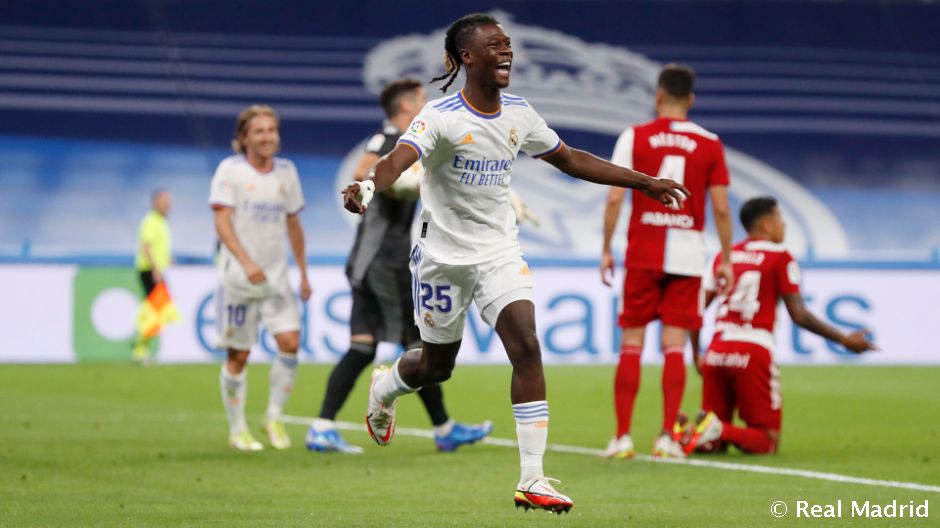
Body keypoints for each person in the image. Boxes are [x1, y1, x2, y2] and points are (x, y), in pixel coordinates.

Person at [341, 13, 688, 514]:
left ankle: (532, 478)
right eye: (495, 45)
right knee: (437, 367)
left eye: (507, 44)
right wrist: (369, 186)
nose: (506, 51)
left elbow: (570, 158)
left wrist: (645, 182)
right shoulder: (440, 115)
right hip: (441, 259)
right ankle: (387, 385)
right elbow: (400, 157)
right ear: (467, 57)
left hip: (498, 252)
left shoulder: (520, 113)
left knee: (526, 345)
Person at [306, 79, 493, 454]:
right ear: (407, 107)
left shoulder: (407, 142)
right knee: (419, 346)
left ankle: (323, 427)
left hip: (372, 259)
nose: (427, 105)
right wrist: (397, 183)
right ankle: (444, 429)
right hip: (383, 261)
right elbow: (362, 170)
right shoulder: (390, 137)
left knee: (364, 346)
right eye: (421, 100)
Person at [599, 64, 735, 459]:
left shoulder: (635, 136)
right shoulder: (710, 143)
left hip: (643, 251)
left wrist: (606, 248)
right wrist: (726, 258)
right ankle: (667, 438)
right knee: (674, 347)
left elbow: (614, 197)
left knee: (631, 345)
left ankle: (622, 437)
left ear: (658, 96)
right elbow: (721, 209)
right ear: (691, 99)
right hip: (688, 257)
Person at [682, 196, 876, 455]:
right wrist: (843, 339)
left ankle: (689, 431)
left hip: (717, 351)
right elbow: (799, 314)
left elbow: (694, 310)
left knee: (714, 445)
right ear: (766, 225)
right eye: (780, 218)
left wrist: (697, 353)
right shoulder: (781, 257)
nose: (784, 224)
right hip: (753, 351)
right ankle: (715, 429)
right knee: (767, 441)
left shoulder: (722, 257)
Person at [209, 104, 312, 452]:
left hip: (276, 279)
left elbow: (294, 225)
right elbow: (222, 222)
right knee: (239, 355)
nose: (267, 137)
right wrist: (246, 262)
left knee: (290, 343)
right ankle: (238, 429)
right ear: (244, 137)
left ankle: (274, 417)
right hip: (240, 280)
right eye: (259, 131)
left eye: (271, 130)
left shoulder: (287, 172)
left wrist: (303, 272)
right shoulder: (230, 171)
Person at [132, 189, 173, 364]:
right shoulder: (151, 221)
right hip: (149, 271)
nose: (168, 205)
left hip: (156, 270)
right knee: (153, 311)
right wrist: (156, 269)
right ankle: (140, 349)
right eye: (165, 201)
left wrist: (167, 260)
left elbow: (157, 247)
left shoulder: (160, 222)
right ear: (156, 202)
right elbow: (146, 247)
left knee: (155, 311)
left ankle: (142, 347)